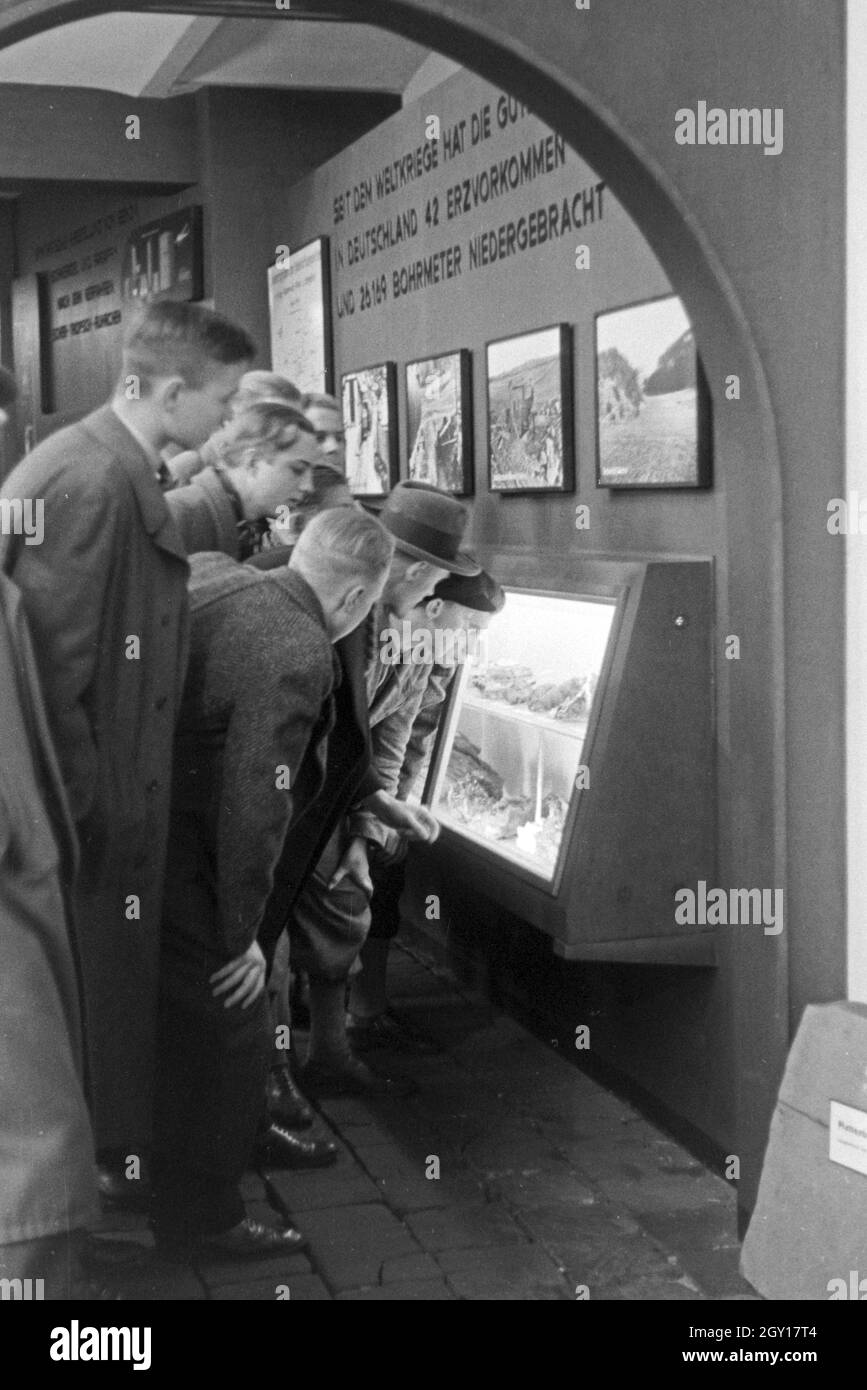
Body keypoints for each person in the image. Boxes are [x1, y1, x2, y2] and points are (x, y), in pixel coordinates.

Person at [0, 300, 255, 1208]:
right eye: (222, 400)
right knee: (79, 1041)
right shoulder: (96, 481)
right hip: (87, 839)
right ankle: (88, 1207)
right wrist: (90, 824)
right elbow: (49, 683)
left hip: (104, 827)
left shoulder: (98, 466)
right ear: (173, 390)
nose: (229, 420)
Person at [151, 507, 394, 1259]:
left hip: (140, 825)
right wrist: (243, 939)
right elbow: (258, 803)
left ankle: (203, 1156)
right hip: (185, 855)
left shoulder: (222, 572)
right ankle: (204, 1218)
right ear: (355, 602)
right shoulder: (298, 649)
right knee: (226, 1025)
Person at [257, 482, 482, 1098]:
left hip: (331, 798)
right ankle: (270, 1085)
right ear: (405, 571)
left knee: (341, 914)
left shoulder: (407, 634)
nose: (435, 595)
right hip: (271, 796)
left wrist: (365, 833)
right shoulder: (327, 606)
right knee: (262, 939)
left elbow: (384, 738)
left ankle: (330, 1055)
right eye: (433, 581)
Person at [346, 568, 506, 1049]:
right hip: (320, 783)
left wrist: (388, 817)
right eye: (471, 630)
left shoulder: (428, 653)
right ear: (434, 609)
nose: (472, 645)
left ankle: (362, 1016)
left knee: (380, 879)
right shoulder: (368, 638)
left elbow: (401, 740)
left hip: (367, 783)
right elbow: (340, 742)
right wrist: (369, 819)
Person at [165, 400, 321, 559]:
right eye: (297, 470)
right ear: (251, 461)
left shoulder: (251, 524)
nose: (308, 486)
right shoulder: (179, 516)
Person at [165, 369, 303, 488]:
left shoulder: (286, 475)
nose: (289, 432)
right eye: (276, 420)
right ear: (234, 416)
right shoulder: (189, 470)